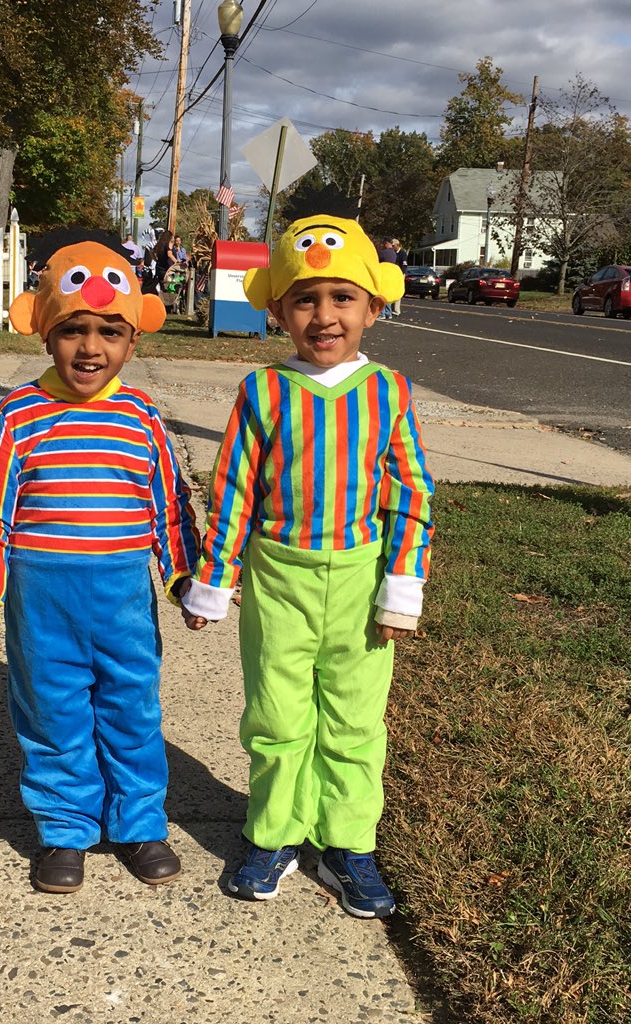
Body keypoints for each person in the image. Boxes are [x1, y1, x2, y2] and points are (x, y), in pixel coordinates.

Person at [180, 213, 434, 919]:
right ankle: (276, 833)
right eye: (305, 299)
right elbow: (232, 489)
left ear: (373, 308)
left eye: (342, 297)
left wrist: (401, 587)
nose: (324, 315)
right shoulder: (262, 392)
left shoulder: (388, 392)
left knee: (354, 720)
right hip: (277, 579)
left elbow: (412, 491)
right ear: (278, 310)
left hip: (359, 581)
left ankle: (348, 844)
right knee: (276, 713)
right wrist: (215, 581)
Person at [0, 231, 200, 895]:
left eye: (109, 333)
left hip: (123, 599)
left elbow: (169, 508)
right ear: (44, 333)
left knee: (131, 711)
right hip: (44, 603)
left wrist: (183, 579)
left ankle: (139, 822)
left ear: (133, 340)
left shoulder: (142, 417)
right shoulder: (17, 416)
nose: (91, 348)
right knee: (54, 714)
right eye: (74, 331)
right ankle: (64, 828)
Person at [376, 238, 396, 320]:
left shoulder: (384, 253)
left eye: (384, 244)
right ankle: (389, 313)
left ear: (387, 243)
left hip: (384, 274)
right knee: (388, 294)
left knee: (382, 294)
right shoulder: (394, 254)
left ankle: (382, 314)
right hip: (391, 275)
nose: (384, 245)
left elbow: (377, 260)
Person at [391, 238, 408, 317]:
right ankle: (391, 309)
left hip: (400, 274)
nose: (392, 247)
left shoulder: (402, 253)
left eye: (393, 245)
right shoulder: (393, 252)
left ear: (397, 245)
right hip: (393, 274)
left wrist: (401, 274)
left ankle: (396, 310)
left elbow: (404, 265)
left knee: (398, 292)